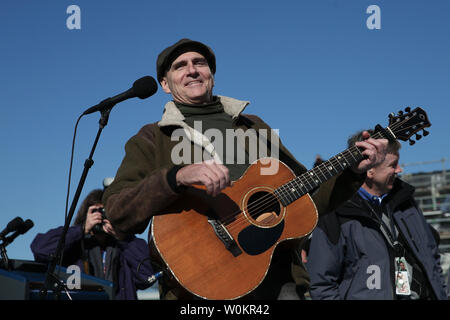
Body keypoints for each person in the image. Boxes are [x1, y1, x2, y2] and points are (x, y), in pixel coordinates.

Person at [102, 38, 388, 299]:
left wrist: (353, 170)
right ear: (165, 84)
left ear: (211, 74)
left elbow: (309, 199)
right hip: (198, 290)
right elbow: (118, 210)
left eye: (199, 63)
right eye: (180, 66)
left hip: (278, 284)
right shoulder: (152, 138)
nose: (192, 70)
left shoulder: (254, 126)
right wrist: (175, 177)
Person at [306, 130, 448, 300]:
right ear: (369, 169)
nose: (399, 170)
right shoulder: (334, 214)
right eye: (393, 165)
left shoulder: (406, 202)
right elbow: (322, 286)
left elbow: (432, 261)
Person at [30, 189, 154, 300]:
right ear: (85, 215)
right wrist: (81, 230)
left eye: (104, 212)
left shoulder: (125, 246)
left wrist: (121, 237)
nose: (100, 216)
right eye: (94, 211)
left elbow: (146, 277)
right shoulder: (73, 243)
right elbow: (40, 250)